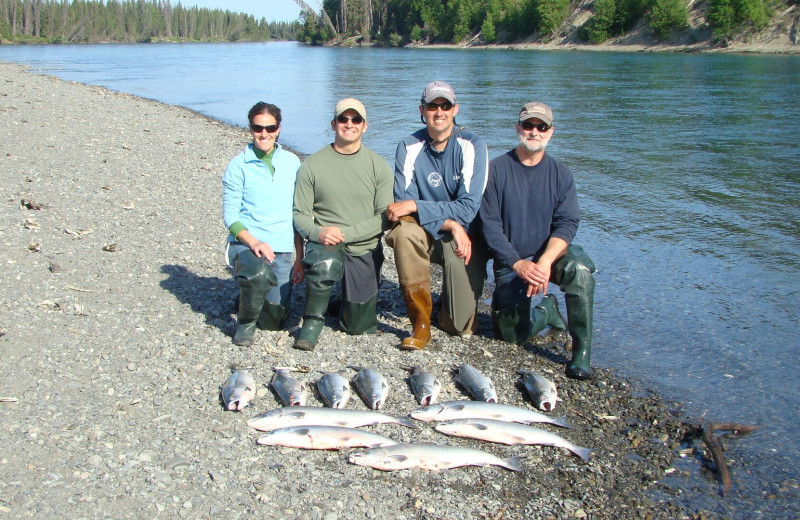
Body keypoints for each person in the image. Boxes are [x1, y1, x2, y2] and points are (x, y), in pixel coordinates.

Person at [480, 102, 597, 380]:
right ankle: (547, 311)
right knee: (510, 335)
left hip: (550, 256)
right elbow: (489, 225)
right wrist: (519, 264)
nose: (535, 131)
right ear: (518, 128)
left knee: (580, 271)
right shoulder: (495, 170)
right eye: (529, 125)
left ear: (550, 132)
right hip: (513, 260)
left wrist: (544, 262)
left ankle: (581, 353)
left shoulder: (562, 175)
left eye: (541, 126)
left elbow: (568, 224)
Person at [385, 81, 489, 350]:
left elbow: (468, 209)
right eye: (433, 106)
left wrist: (420, 207)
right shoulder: (408, 146)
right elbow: (400, 208)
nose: (439, 112)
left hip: (463, 238)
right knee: (403, 232)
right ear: (422, 110)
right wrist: (449, 222)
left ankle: (449, 303)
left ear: (455, 109)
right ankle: (421, 323)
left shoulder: (472, 144)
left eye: (445, 106)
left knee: (459, 325)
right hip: (425, 233)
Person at [292, 98, 394, 351]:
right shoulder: (312, 165)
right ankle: (312, 322)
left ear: (365, 126)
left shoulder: (378, 166)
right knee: (326, 263)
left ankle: (339, 302)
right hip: (325, 244)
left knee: (357, 326)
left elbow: (384, 217)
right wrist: (319, 232)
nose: (349, 124)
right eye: (343, 119)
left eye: (355, 119)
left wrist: (347, 234)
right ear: (333, 123)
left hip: (363, 246)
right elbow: (299, 214)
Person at [222, 102, 304, 346]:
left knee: (273, 322)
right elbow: (230, 217)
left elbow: (296, 213)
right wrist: (254, 242)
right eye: (258, 128)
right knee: (257, 274)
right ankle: (244, 324)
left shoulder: (292, 163)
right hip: (246, 244)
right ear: (251, 129)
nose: (264, 133)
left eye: (270, 127)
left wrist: (298, 257)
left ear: (279, 128)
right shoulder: (238, 165)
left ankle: (247, 298)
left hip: (282, 248)